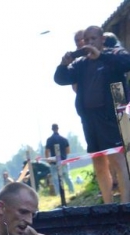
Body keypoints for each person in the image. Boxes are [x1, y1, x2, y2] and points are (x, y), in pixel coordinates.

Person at [54, 25, 130, 204]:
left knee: (118, 160)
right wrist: (63, 64)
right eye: (85, 40)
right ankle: (107, 205)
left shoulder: (113, 53)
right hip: (89, 120)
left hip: (112, 117)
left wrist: (101, 55)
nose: (88, 44)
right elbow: (60, 79)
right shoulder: (80, 64)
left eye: (92, 39)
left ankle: (126, 206)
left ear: (102, 39)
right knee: (99, 163)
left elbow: (127, 62)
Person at [44, 123, 76, 194]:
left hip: (54, 162)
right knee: (67, 178)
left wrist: (48, 160)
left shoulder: (49, 140)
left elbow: (47, 151)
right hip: (63, 161)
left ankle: (59, 194)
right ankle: (72, 191)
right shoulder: (64, 139)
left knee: (56, 180)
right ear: (58, 128)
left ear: (52, 129)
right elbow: (68, 151)